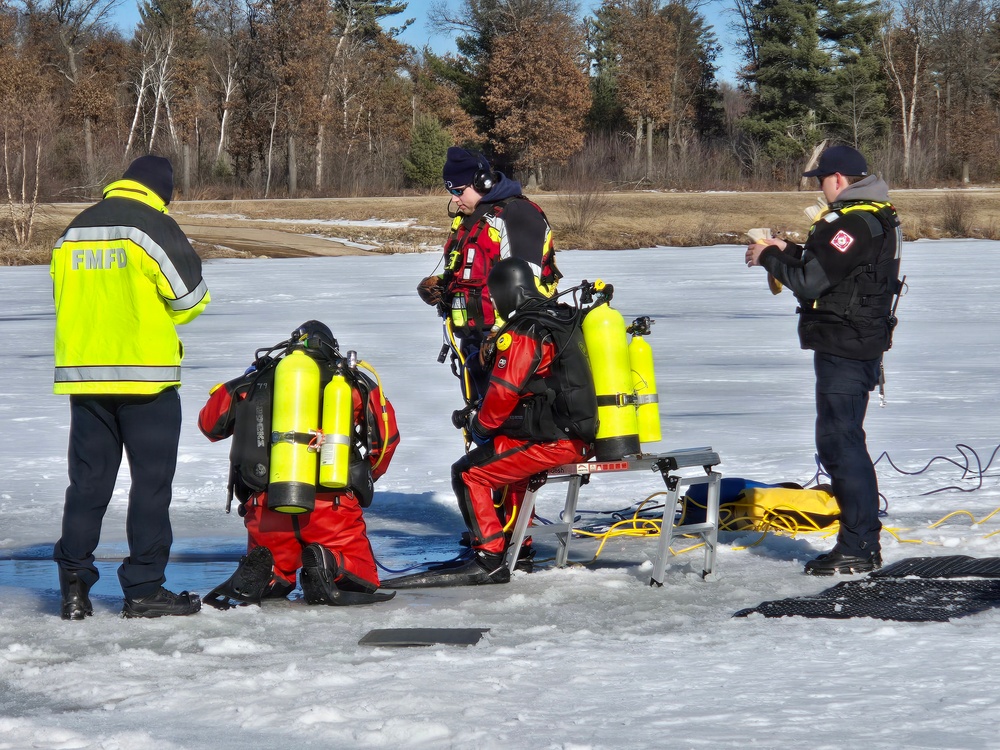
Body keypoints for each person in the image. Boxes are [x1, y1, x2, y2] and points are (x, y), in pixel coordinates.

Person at [51, 155, 210, 619]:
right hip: (147, 380)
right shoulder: (153, 225)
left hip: (85, 379)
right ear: (161, 190)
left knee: (87, 486)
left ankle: (74, 590)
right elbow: (190, 298)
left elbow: (63, 296)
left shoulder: (74, 229)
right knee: (150, 487)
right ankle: (143, 589)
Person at [387, 258, 597, 588]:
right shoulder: (560, 319)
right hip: (576, 433)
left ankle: (488, 557)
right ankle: (519, 549)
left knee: (470, 472)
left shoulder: (524, 331)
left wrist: (480, 426)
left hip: (553, 440)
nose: (494, 302)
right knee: (509, 473)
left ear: (507, 291)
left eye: (495, 294)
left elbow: (504, 391)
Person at [745, 145, 903, 575]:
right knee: (842, 440)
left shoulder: (852, 220)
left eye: (821, 180)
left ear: (837, 178)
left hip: (846, 347)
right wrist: (787, 247)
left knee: (840, 442)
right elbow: (834, 267)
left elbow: (811, 282)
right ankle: (859, 542)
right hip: (853, 342)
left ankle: (858, 547)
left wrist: (769, 257)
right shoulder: (871, 215)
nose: (821, 188)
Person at [197, 321, 400, 607]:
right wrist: (365, 476)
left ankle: (267, 569)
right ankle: (329, 563)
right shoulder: (351, 384)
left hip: (266, 503)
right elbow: (387, 438)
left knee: (274, 576)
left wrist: (246, 380)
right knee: (361, 576)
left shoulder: (257, 380)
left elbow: (209, 426)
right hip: (331, 505)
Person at [417, 147, 560, 404]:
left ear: (482, 181)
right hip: (475, 346)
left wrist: (498, 336)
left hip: (515, 346)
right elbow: (478, 270)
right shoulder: (470, 218)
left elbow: (529, 287)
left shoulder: (518, 214)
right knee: (478, 427)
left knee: (508, 430)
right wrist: (445, 286)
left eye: (459, 191)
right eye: (451, 192)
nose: (455, 199)